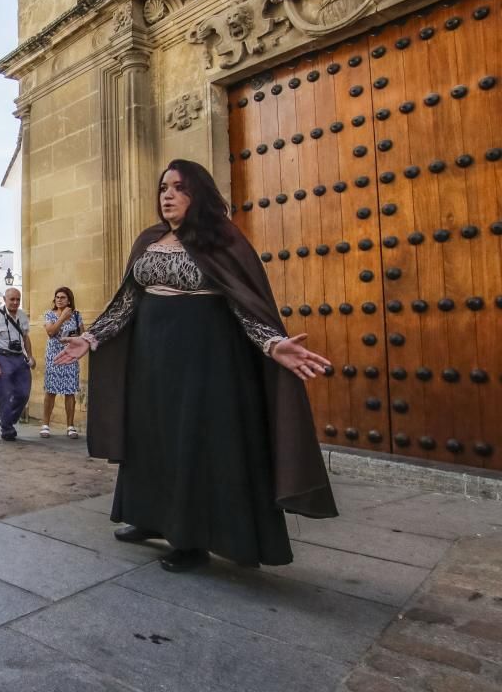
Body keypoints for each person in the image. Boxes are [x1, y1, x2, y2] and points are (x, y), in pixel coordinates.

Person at [55, 159, 337, 572]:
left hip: (203, 361)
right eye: (163, 187)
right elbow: (128, 301)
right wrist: (91, 337)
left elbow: (245, 304)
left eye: (178, 188)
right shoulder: (149, 240)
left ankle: (191, 539)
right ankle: (149, 517)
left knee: (192, 442)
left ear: (198, 193)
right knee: (151, 439)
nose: (167, 195)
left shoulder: (221, 240)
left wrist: (272, 343)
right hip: (151, 360)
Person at [0, 289, 35, 441]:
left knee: (24, 393)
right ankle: (7, 429)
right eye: (12, 299)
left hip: (19, 357)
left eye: (18, 299)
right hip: (2, 356)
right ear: (4, 299)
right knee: (4, 394)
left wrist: (30, 356)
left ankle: (7, 420)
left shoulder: (23, 315)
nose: (15, 302)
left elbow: (26, 337)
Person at [42, 286, 84, 439]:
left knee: (69, 391)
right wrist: (62, 318)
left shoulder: (77, 316)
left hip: (70, 357)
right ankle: (45, 425)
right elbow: (51, 332)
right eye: (57, 297)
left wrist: (75, 341)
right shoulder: (49, 314)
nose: (59, 300)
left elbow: (82, 336)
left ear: (69, 300)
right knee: (50, 391)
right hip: (53, 356)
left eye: (63, 297)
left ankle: (70, 426)